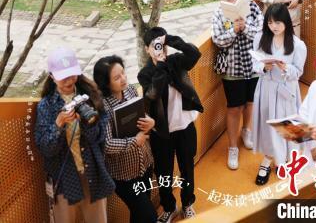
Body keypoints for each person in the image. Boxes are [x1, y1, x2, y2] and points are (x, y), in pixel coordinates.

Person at [34, 47, 115, 223]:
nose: (69, 80)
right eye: (63, 76)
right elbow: (46, 149)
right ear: (51, 76)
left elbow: (100, 137)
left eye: (72, 74)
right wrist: (58, 124)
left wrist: (87, 122)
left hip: (92, 171)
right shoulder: (46, 106)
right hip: (64, 178)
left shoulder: (91, 96)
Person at [138, 28, 203, 223]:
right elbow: (153, 94)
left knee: (187, 168)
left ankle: (187, 203)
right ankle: (169, 207)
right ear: (146, 49)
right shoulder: (145, 74)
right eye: (154, 46)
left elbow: (194, 54)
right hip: (161, 131)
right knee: (163, 172)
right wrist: (160, 66)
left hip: (184, 125)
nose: (160, 48)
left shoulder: (176, 61)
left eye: (161, 44)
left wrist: (171, 40)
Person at [93, 55, 157, 223]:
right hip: (123, 174)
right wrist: (134, 141)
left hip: (144, 164)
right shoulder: (101, 106)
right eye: (116, 77)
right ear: (106, 84)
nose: (123, 78)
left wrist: (151, 122)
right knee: (149, 216)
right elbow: (107, 144)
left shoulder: (130, 90)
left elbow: (141, 116)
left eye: (123, 73)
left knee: (139, 215)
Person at [211, 0, 263, 171]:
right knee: (234, 108)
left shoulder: (252, 7)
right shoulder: (219, 13)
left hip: (253, 66)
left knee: (250, 102)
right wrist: (234, 30)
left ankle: (246, 130)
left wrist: (245, 28)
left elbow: (261, 34)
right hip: (232, 69)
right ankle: (233, 147)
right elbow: (218, 40)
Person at [251, 3, 307, 185]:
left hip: (286, 90)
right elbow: (255, 64)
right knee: (268, 125)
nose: (273, 26)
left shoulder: (297, 45)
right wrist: (263, 67)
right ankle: (267, 159)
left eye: (277, 22)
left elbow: (298, 72)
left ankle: (286, 160)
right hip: (266, 88)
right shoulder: (260, 38)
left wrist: (286, 68)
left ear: (286, 22)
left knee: (286, 126)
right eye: (270, 22)